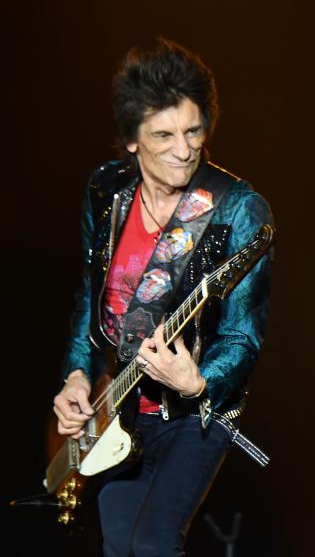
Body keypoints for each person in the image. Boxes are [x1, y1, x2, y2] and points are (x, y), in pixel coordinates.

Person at [51, 39, 273, 555]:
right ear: (131, 140)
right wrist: (77, 373)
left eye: (193, 131)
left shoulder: (238, 211)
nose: (183, 149)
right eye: (163, 135)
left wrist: (200, 379)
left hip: (199, 413)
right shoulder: (105, 192)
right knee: (118, 544)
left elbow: (244, 333)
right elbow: (90, 298)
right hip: (120, 412)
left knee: (152, 543)